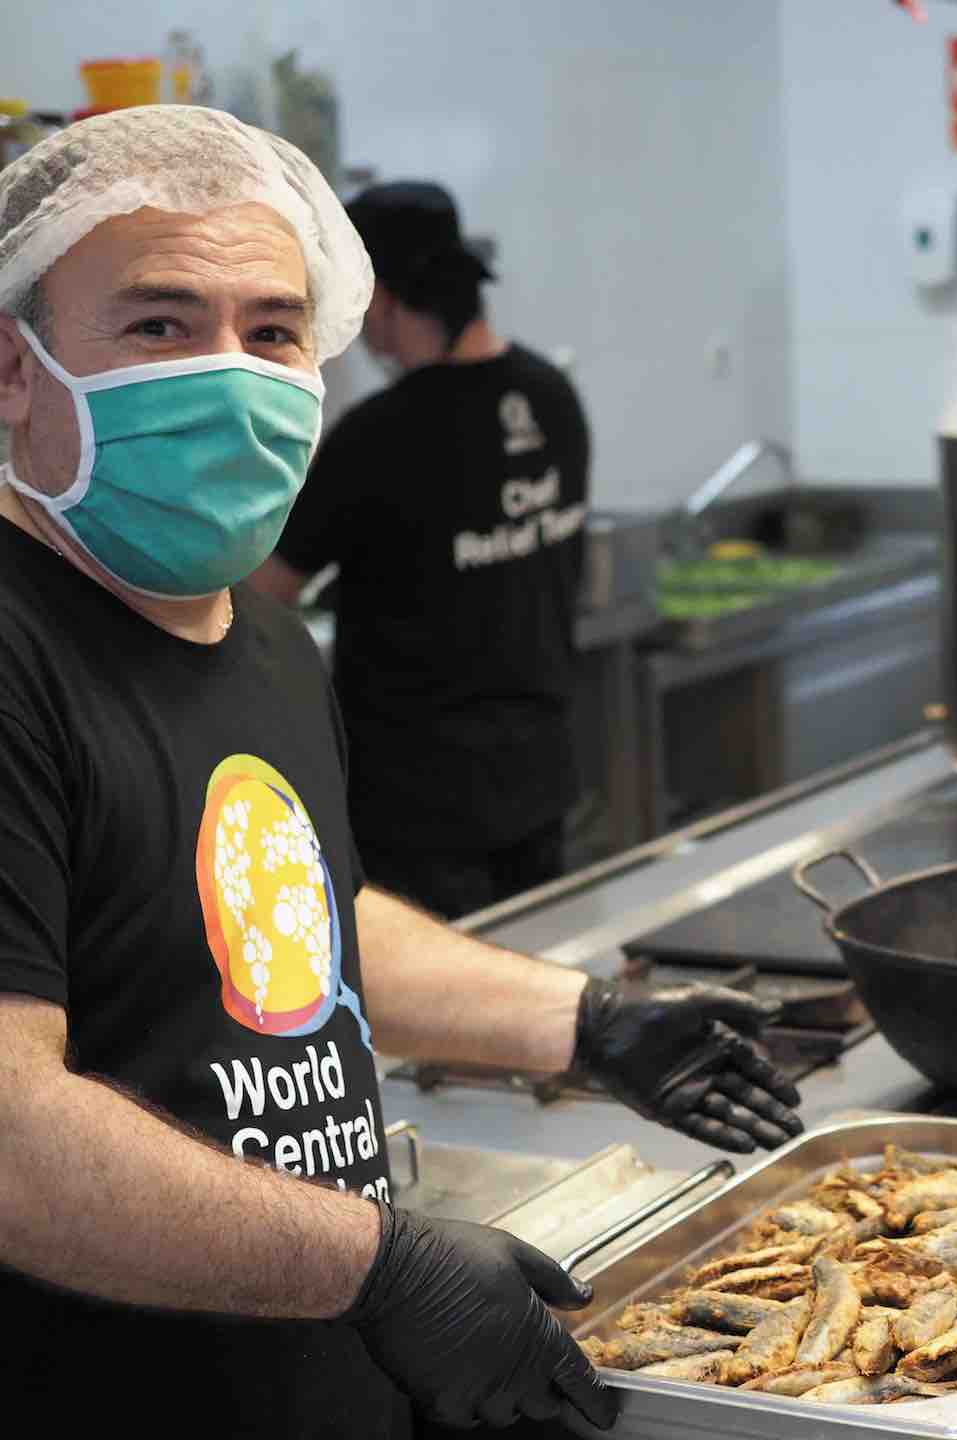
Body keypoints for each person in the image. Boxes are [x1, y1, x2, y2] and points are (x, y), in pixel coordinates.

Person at [0, 106, 802, 1437]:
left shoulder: (258, 635)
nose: (230, 374)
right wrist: (380, 1269)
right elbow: (13, 1139)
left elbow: (288, 915)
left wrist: (584, 1023)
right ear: (14, 370)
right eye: (160, 324)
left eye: (271, 330)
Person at [251, 182, 588, 919]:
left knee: (437, 990)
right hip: (541, 774)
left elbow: (260, 593)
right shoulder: (553, 396)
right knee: (538, 959)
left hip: (420, 805)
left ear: (379, 299)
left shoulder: (381, 435)